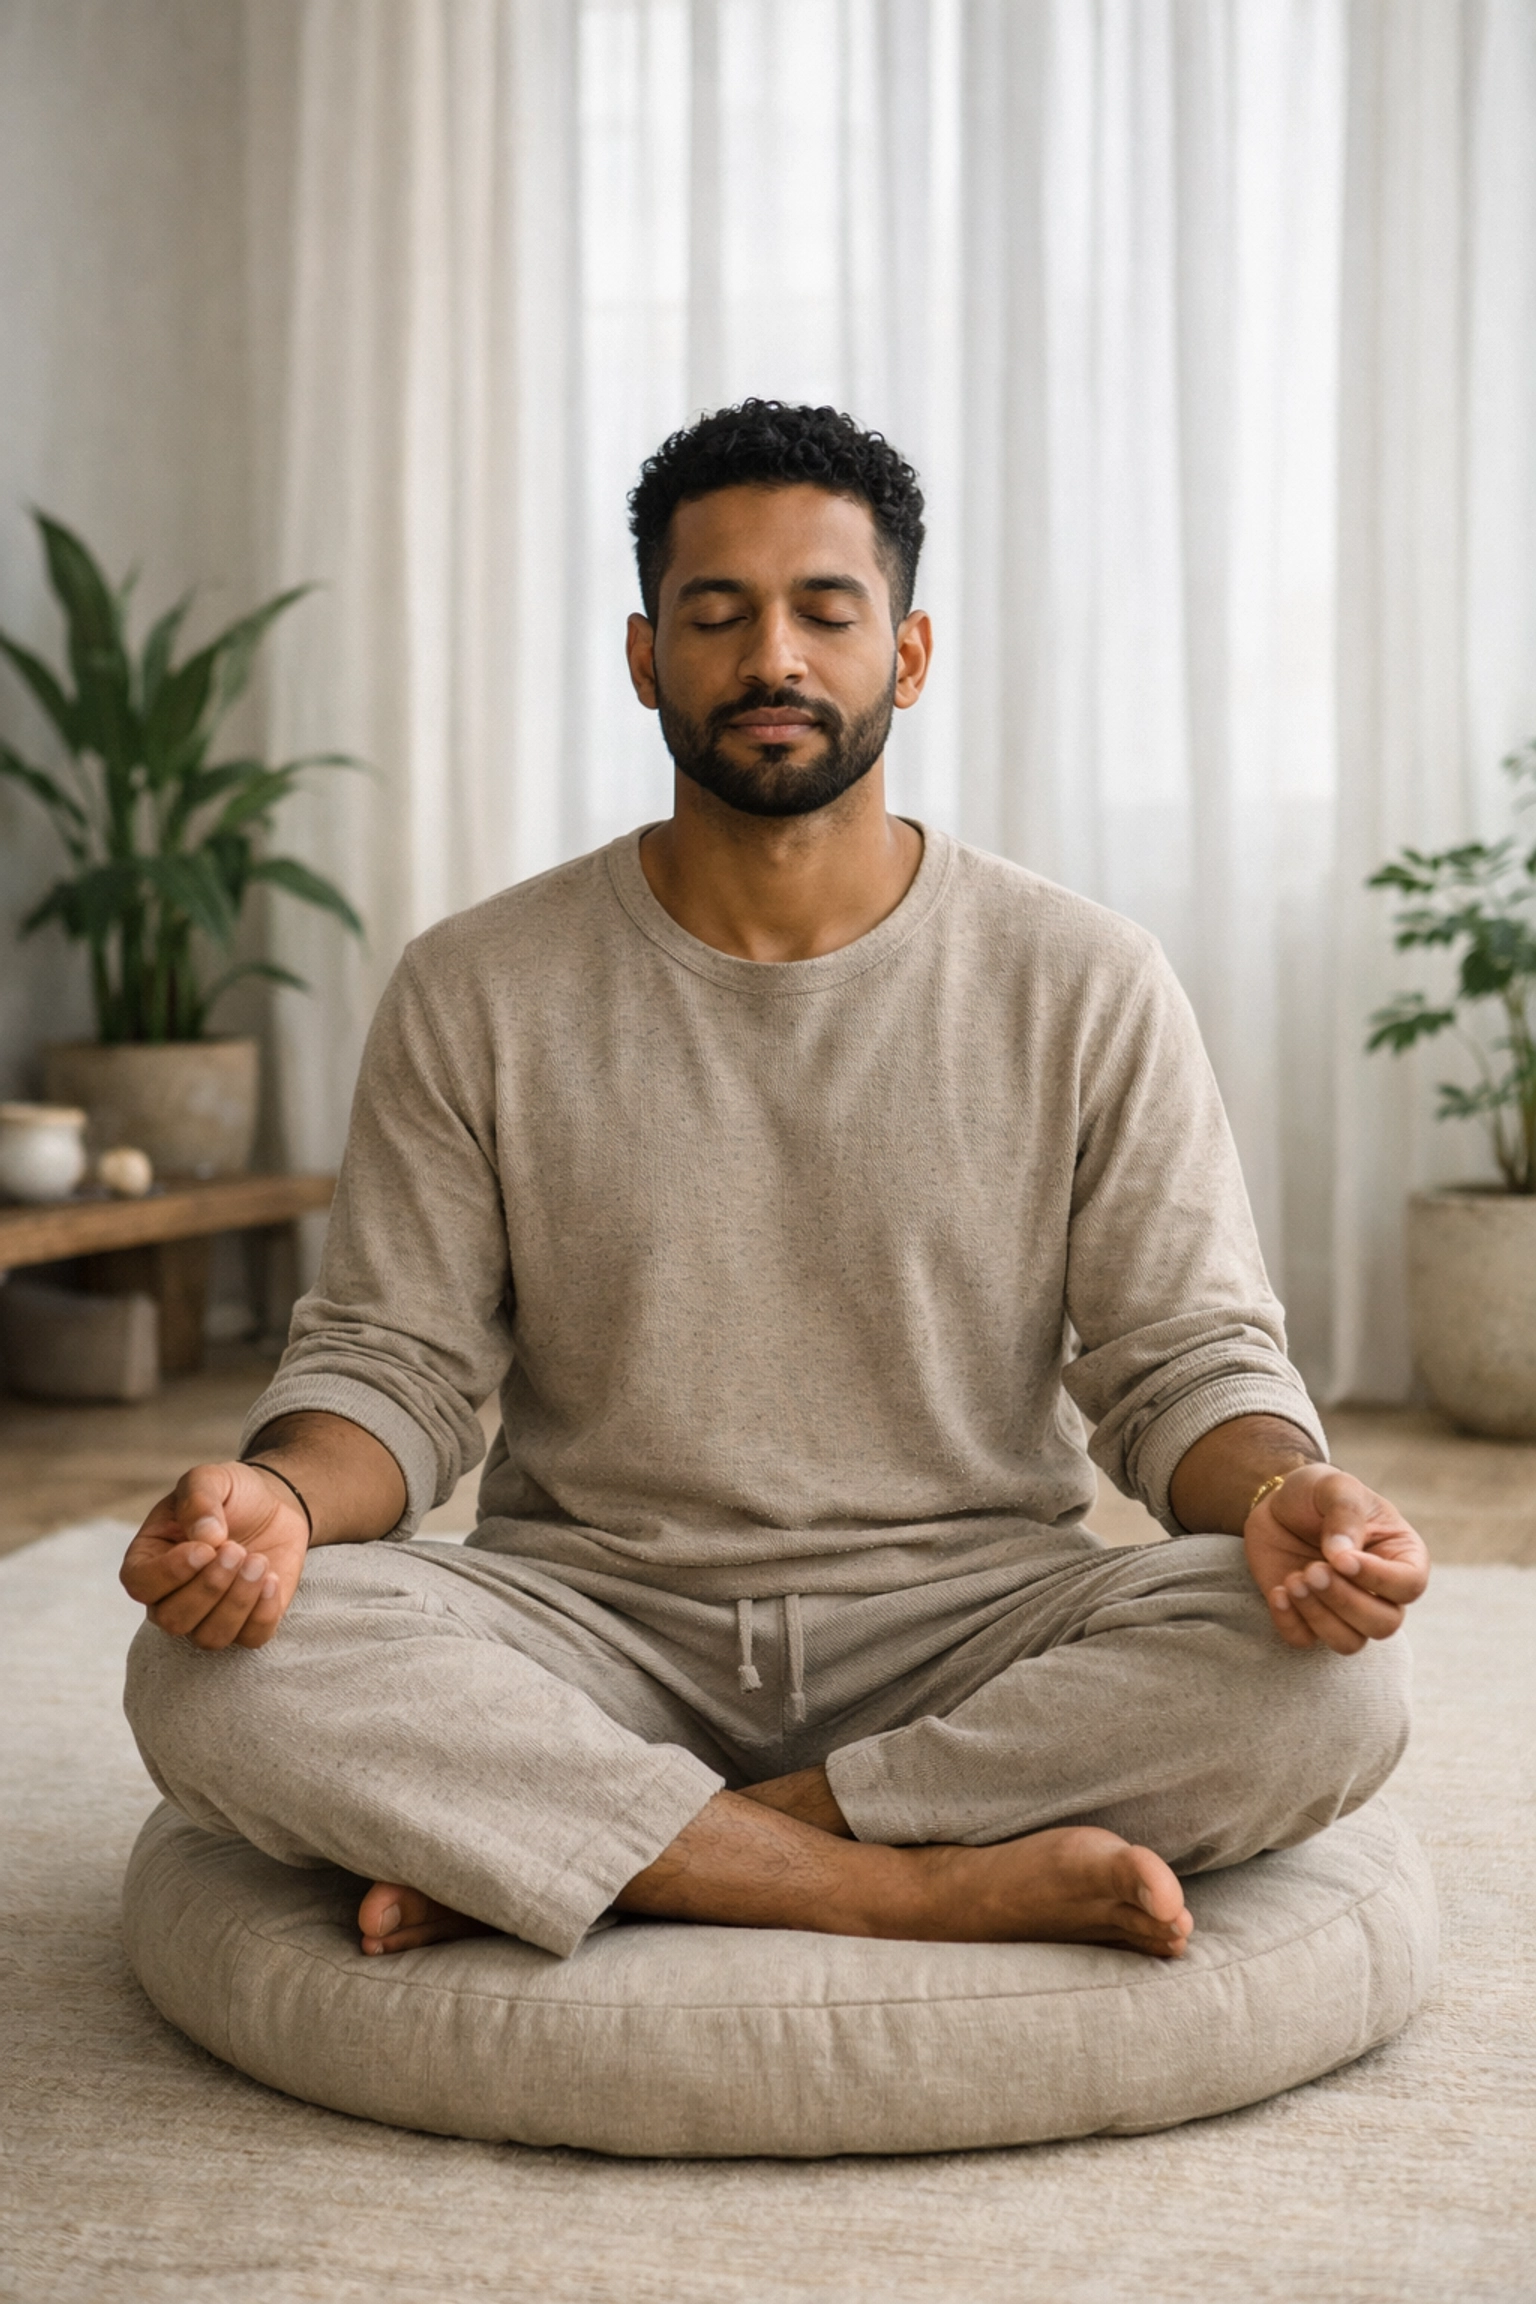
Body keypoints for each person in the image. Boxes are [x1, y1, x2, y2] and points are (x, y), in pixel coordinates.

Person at [121, 402, 1427, 1966]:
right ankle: (908, 1879)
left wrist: (1293, 1502)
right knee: (217, 1668)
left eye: (826, 609)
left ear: (912, 653)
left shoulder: (1085, 979)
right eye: (716, 613)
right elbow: (392, 1367)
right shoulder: (477, 983)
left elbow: (1184, 1363)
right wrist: (270, 1504)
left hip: (968, 1619)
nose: (772, 660)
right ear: (643, 655)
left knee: (1329, 1681)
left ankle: (616, 1843)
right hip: (588, 1625)